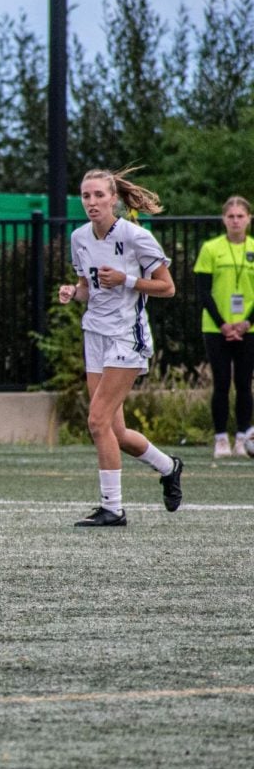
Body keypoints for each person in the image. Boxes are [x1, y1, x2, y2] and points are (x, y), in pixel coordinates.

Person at [57, 167, 183, 527]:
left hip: (127, 335)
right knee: (116, 431)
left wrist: (127, 279)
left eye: (99, 195)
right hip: (94, 334)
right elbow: (87, 287)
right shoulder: (79, 237)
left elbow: (168, 287)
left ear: (114, 198)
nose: (92, 202)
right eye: (86, 196)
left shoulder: (134, 236)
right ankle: (169, 467)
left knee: (96, 421)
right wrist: (72, 292)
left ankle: (112, 508)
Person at [192, 196, 254, 458]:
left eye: (241, 216)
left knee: (243, 382)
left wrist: (247, 321)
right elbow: (203, 291)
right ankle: (220, 438)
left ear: (249, 219)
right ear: (224, 219)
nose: (236, 221)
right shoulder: (211, 248)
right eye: (231, 216)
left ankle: (242, 436)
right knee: (221, 382)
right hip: (217, 327)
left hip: (248, 328)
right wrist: (223, 324)